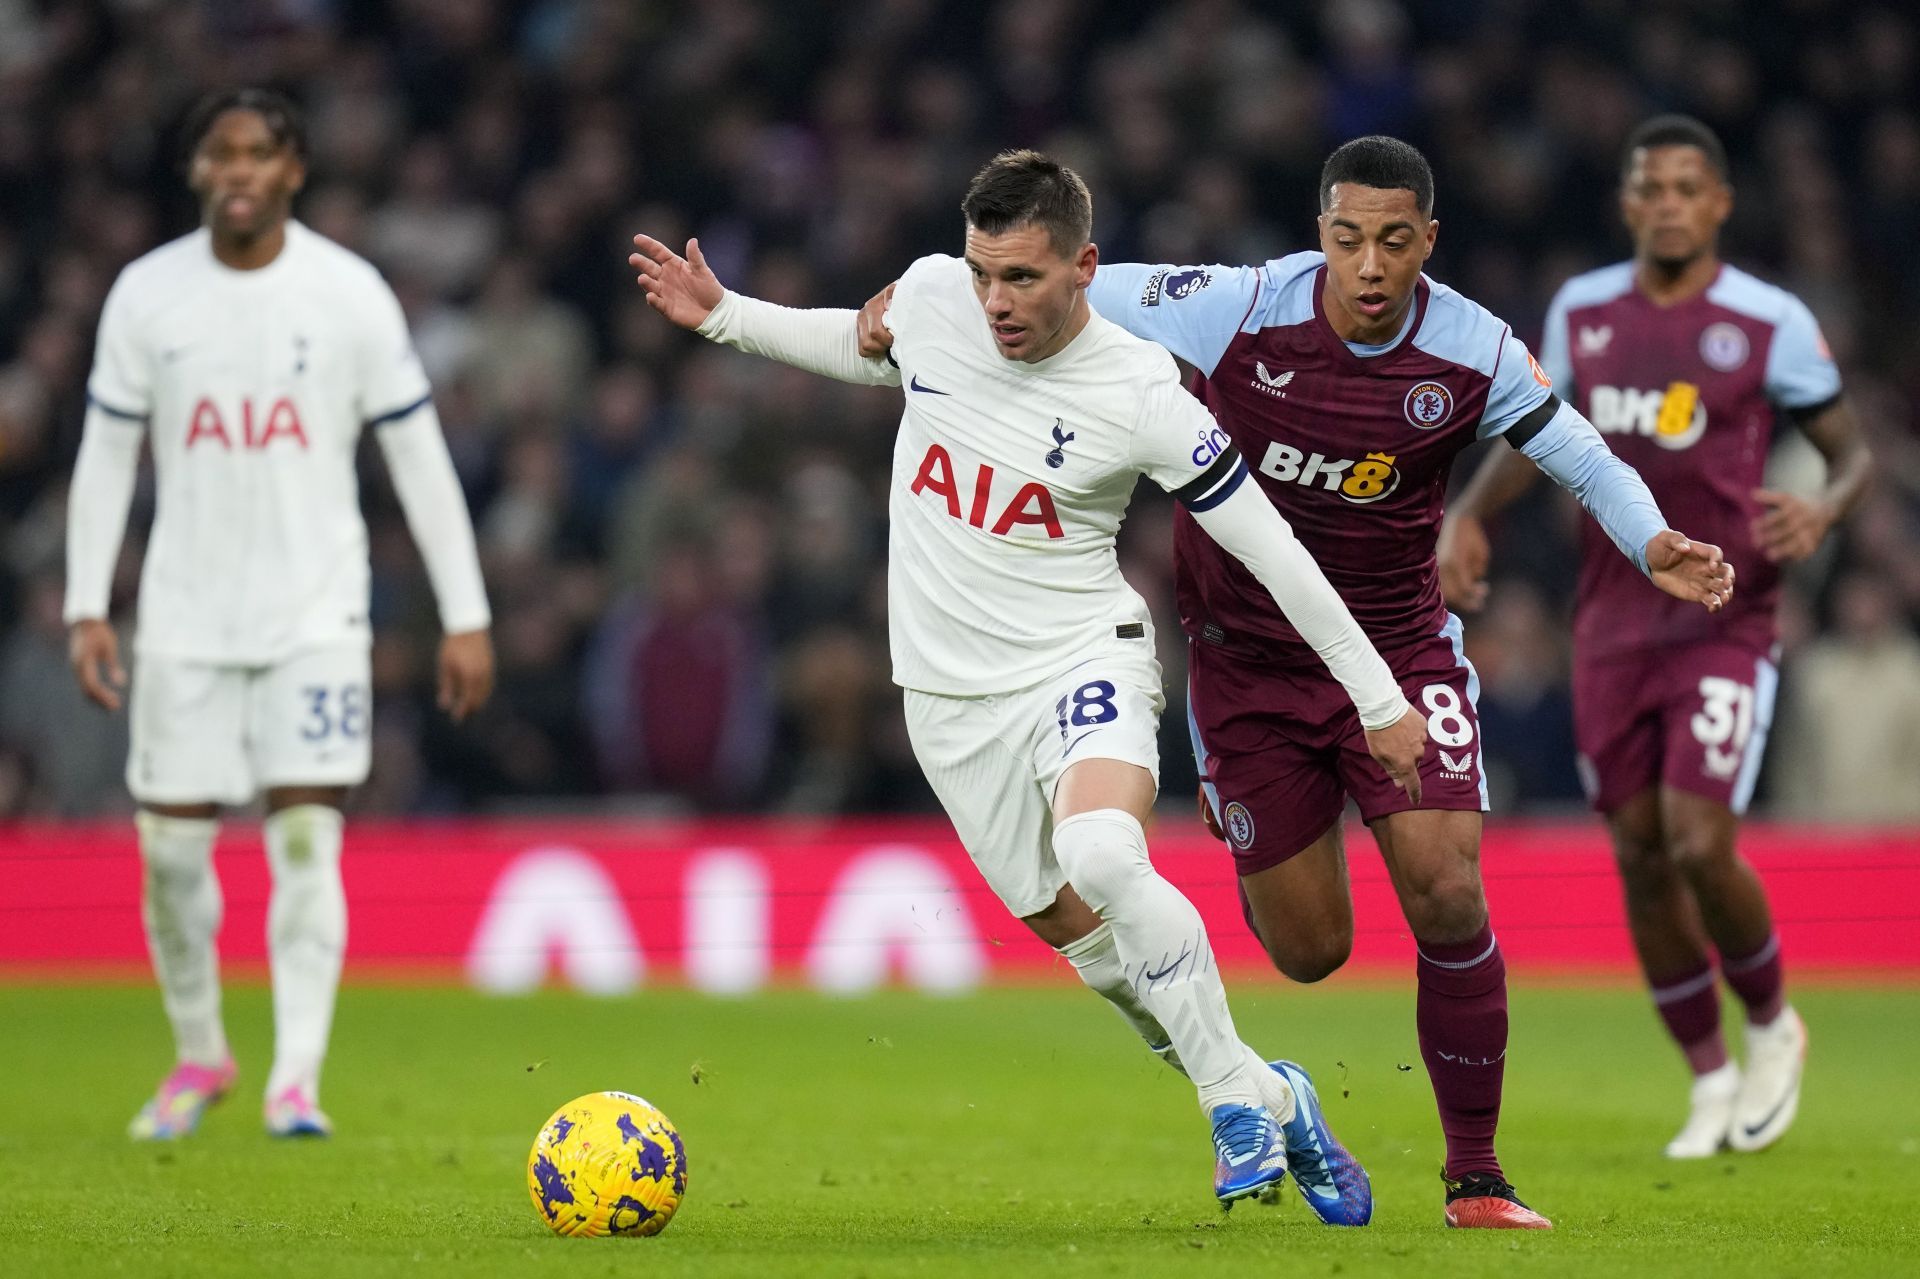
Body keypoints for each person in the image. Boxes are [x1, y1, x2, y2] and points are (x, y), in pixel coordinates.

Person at [859, 135, 1735, 1229]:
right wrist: (922, 293)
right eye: (1348, 238)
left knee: (1446, 885)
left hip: (1401, 649)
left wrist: (1650, 539)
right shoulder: (1232, 307)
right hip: (1249, 668)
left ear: (1429, 243)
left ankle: (1476, 1176)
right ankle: (1287, 1071)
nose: (1370, 264)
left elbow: (1583, 454)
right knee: (1311, 951)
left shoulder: (1475, 347)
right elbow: (1056, 278)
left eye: (1394, 242)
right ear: (1321, 233)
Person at [630, 149, 1429, 1220]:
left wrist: (1378, 697)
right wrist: (727, 314)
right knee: (1101, 959)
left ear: (1086, 267)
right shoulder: (930, 300)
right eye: (983, 273)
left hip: (1079, 657)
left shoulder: (1141, 391)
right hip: (950, 704)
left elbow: (1275, 549)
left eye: (1024, 279)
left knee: (1104, 850)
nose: (996, 302)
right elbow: (866, 349)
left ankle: (1231, 1112)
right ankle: (1268, 1096)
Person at [65, 89, 495, 1140]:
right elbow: (108, 452)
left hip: (316, 616)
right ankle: (201, 1054)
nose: (241, 171)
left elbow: (416, 456)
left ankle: (294, 1078)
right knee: (171, 853)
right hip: (183, 620)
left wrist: (465, 611)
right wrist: (87, 601)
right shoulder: (145, 296)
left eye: (261, 152)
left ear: (294, 168)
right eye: (222, 154)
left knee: (306, 840)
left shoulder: (348, 296)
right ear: (198, 170)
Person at [1439, 115, 1871, 1159]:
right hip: (1611, 625)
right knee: (1637, 855)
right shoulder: (1583, 310)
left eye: (1689, 187)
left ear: (1719, 202)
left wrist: (1821, 508)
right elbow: (1539, 432)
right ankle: (1709, 1076)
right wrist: (1472, 512)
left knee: (1695, 837)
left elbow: (1846, 449)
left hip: (1727, 615)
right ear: (1629, 201)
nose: (1670, 202)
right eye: (1652, 187)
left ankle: (1771, 1025)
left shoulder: (1766, 319)